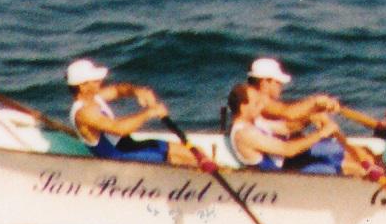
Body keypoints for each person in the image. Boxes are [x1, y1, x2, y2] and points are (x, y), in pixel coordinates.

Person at [222, 57, 345, 173]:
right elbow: (288, 150)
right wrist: (321, 133)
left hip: (284, 166)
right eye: (257, 104)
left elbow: (287, 128)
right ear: (244, 107)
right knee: (330, 169)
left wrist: (310, 118)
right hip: (278, 177)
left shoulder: (255, 122)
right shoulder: (244, 133)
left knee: (335, 151)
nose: (261, 107)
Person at [65, 58, 199, 166]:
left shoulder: (95, 96)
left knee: (190, 151)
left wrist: (138, 91)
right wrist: (149, 113)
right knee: (182, 161)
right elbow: (119, 129)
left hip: (129, 146)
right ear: (82, 86)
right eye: (94, 80)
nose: (100, 81)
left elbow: (118, 90)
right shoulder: (83, 113)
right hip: (119, 159)